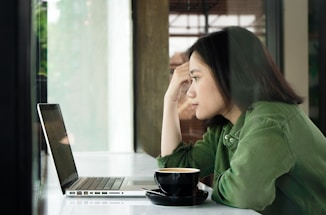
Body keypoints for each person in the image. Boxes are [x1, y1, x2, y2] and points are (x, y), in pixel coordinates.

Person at [158, 26, 326, 215]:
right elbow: (178, 171)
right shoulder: (226, 127)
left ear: (229, 73)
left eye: (196, 77)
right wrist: (169, 100)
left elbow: (245, 193)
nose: (189, 92)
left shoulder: (269, 122)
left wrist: (221, 181)